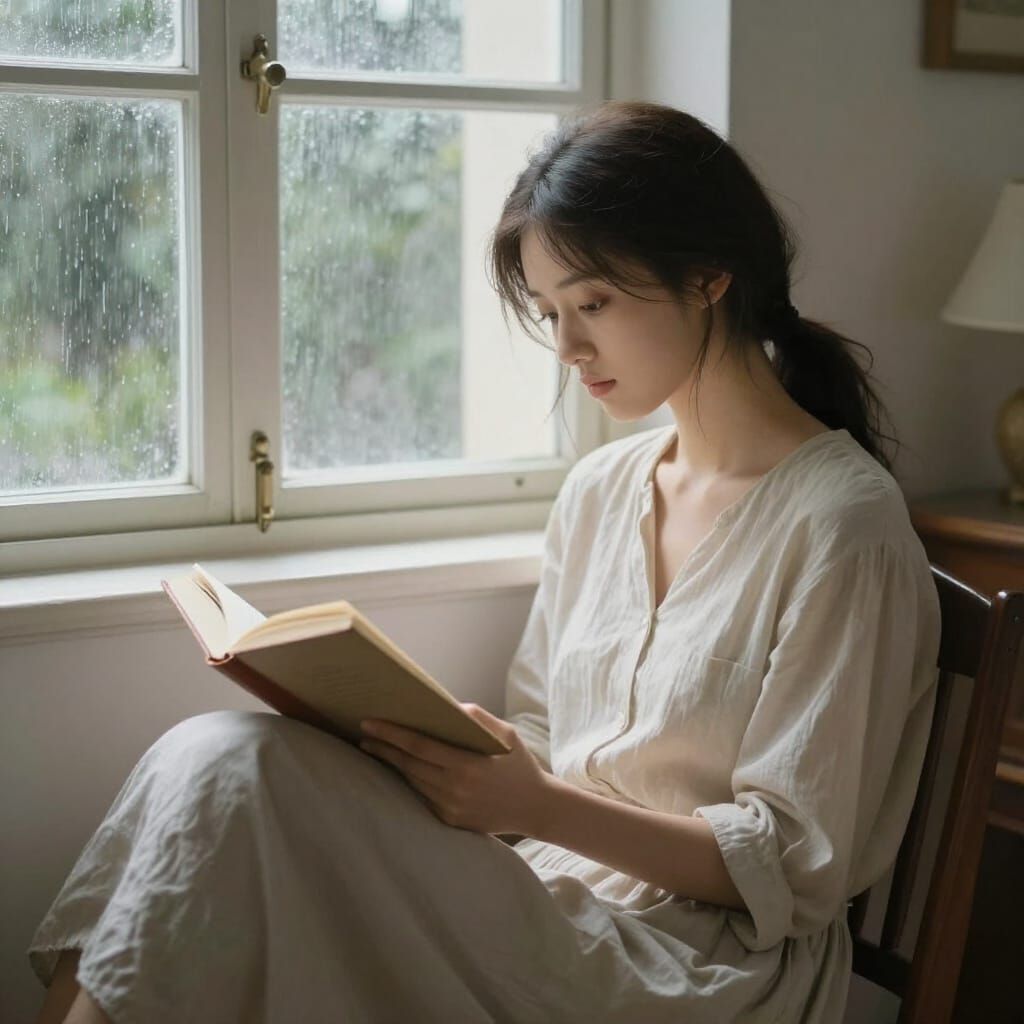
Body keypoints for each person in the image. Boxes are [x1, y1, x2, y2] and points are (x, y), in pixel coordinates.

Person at [28, 99, 941, 1024]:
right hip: (546, 899)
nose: (568, 347)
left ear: (708, 278)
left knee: (235, 782)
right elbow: (544, 737)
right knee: (211, 754)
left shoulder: (844, 528)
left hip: (702, 970)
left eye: (594, 304)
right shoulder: (598, 491)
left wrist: (537, 805)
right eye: (550, 311)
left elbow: (791, 865)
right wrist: (444, 756)